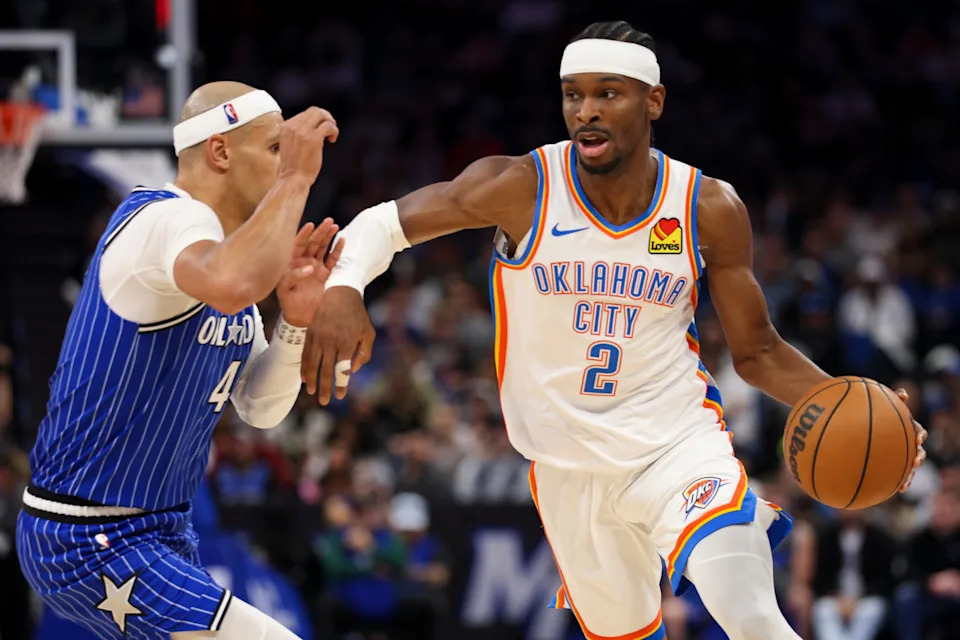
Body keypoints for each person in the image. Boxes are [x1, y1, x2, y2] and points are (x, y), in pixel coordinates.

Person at [303, 21, 928, 640]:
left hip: (677, 447)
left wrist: (858, 406)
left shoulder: (706, 206)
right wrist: (344, 285)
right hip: (567, 468)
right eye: (574, 94)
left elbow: (759, 352)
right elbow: (384, 225)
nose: (586, 112)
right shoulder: (522, 186)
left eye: (609, 93)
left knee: (752, 614)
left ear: (653, 101)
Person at [17, 81, 341, 640]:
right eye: (273, 148)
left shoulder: (217, 256)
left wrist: (294, 321)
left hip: (161, 530)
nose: (284, 159)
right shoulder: (162, 220)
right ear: (219, 152)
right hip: (88, 533)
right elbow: (234, 282)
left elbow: (260, 408)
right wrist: (295, 179)